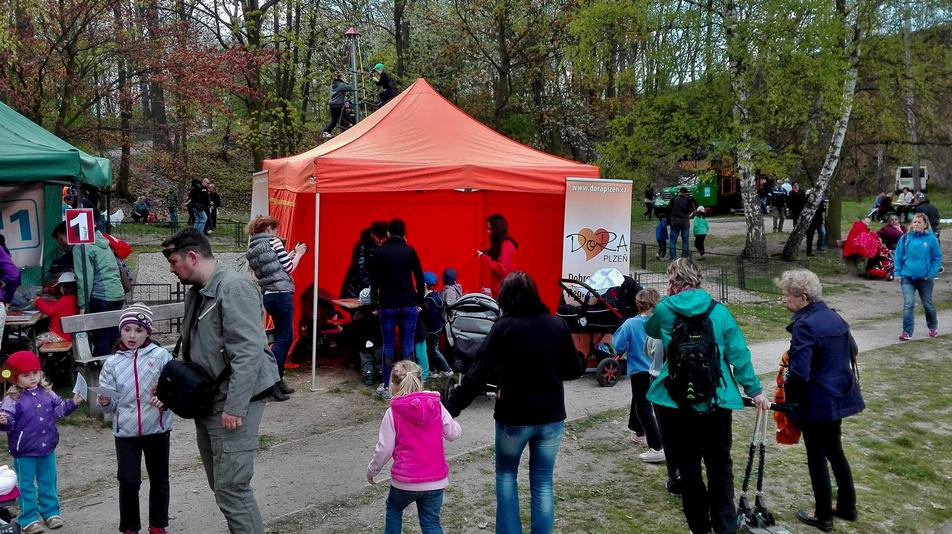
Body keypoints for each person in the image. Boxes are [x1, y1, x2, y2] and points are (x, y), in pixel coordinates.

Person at [161, 228, 280, 534]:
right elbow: (194, 347)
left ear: (192, 256)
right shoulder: (198, 291)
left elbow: (249, 353)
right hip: (209, 399)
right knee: (221, 484)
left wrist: (236, 407)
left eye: (174, 262)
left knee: (232, 488)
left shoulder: (234, 289)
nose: (172, 269)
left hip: (234, 401)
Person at [447, 272, 583, 534]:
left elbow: (477, 373)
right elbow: (573, 370)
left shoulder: (503, 328)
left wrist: (452, 407)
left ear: (505, 299)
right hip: (551, 417)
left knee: (506, 475)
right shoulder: (557, 325)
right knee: (543, 481)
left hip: (514, 416)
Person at [646, 258, 768, 534]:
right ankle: (725, 525)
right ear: (698, 280)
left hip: (677, 400)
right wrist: (754, 390)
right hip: (717, 397)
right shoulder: (720, 312)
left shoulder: (666, 309)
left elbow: (650, 330)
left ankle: (699, 527)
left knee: (688, 466)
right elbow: (738, 354)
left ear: (673, 282)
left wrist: (666, 301)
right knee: (719, 464)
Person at [776, 270, 865, 533]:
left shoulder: (805, 324)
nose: (784, 300)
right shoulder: (833, 316)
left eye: (787, 295)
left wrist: (790, 401)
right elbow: (853, 349)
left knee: (817, 457)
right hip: (838, 393)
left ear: (803, 298)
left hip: (817, 400)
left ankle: (823, 514)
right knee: (835, 451)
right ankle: (847, 507)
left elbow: (799, 371)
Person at [96, 303, 173, 534]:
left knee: (159, 479)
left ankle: (157, 526)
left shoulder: (161, 356)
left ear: (148, 332)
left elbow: (174, 387)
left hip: (157, 429)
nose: (132, 335)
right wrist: (106, 403)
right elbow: (109, 404)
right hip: (126, 433)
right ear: (120, 330)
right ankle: (130, 528)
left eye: (139, 330)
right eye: (127, 329)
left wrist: (165, 398)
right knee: (128, 481)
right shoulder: (112, 363)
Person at [367, 360, 462, 534]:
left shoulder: (393, 412)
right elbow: (453, 434)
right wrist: (455, 423)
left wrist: (372, 470)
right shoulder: (436, 405)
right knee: (431, 523)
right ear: (421, 380)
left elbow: (385, 448)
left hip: (405, 481)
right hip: (435, 480)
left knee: (394, 509)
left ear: (393, 385)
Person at [0, 350, 83, 534]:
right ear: (15, 377)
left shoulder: (47, 393)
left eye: (35, 373)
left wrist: (73, 402)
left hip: (47, 447)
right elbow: (8, 420)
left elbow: (59, 410)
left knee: (48, 481)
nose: (32, 378)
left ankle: (51, 512)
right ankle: (29, 518)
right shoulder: (12, 399)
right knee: (26, 484)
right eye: (26, 375)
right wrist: (4, 421)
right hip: (24, 451)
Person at [246, 215, 306, 400]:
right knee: (283, 339)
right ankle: (273, 381)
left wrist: (289, 255)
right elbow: (288, 268)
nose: (277, 233)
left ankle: (278, 381)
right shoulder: (274, 242)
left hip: (268, 295)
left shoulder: (253, 247)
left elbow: (273, 267)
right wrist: (299, 254)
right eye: (276, 229)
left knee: (283, 337)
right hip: (282, 295)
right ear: (269, 228)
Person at [370, 218, 425, 400]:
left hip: (387, 304)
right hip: (408, 303)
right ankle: (411, 386)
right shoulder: (410, 251)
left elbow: (374, 281)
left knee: (389, 344)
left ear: (387, 233)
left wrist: (374, 304)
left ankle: (387, 386)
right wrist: (420, 302)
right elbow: (419, 276)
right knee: (408, 345)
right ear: (404, 233)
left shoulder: (380, 252)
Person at [52, 221, 125, 357]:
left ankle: (100, 375)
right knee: (114, 337)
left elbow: (84, 278)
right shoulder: (101, 242)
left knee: (101, 339)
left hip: (100, 296)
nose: (60, 243)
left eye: (60, 238)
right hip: (117, 294)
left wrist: (82, 304)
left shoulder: (80, 247)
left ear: (67, 234)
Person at [612, 288, 664, 463]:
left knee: (643, 406)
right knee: (640, 399)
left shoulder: (631, 324)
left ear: (638, 304)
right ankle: (638, 431)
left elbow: (618, 346)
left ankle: (657, 446)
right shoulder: (662, 322)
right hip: (658, 369)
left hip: (639, 370)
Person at [894, 213, 942, 341]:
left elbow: (937, 258)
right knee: (909, 304)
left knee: (927, 304)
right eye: (914, 222)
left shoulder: (931, 239)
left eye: (919, 222)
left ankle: (933, 327)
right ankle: (907, 332)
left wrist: (931, 273)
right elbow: (898, 256)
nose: (916, 224)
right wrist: (897, 273)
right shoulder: (905, 238)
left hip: (925, 278)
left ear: (925, 224)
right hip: (907, 277)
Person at [341, 221, 389, 299]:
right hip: (356, 292)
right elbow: (359, 270)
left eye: (383, 238)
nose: (380, 241)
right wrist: (374, 286)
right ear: (372, 234)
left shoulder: (384, 247)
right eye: (378, 238)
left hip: (369, 292)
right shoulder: (362, 246)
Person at [478, 214, 518, 297]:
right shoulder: (503, 245)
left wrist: (485, 257)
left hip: (505, 295)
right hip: (501, 293)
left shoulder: (506, 245)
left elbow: (501, 268)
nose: (487, 232)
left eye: (490, 229)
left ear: (497, 229)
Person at [32, 271, 79, 344]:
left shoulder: (65, 299)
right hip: (68, 334)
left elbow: (50, 311)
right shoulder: (74, 298)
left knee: (34, 342)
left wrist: (39, 300)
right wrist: (47, 302)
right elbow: (57, 306)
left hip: (60, 334)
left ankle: (32, 354)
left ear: (63, 287)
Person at [421, 272, 453, 378]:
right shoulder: (436, 295)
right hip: (438, 327)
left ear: (424, 285)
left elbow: (426, 314)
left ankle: (447, 369)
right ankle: (433, 370)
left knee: (433, 350)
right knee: (431, 349)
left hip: (431, 329)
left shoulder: (427, 300)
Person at [353, 287, 383, 386]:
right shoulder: (378, 314)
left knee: (366, 360)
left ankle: (369, 377)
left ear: (361, 301)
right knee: (380, 359)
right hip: (378, 341)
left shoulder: (357, 315)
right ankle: (381, 375)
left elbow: (354, 331)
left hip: (363, 343)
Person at [322, 73, 356, 138]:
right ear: (341, 78)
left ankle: (326, 131)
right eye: (344, 78)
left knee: (335, 119)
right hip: (338, 105)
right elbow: (351, 88)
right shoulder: (341, 85)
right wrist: (347, 82)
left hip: (332, 105)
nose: (345, 79)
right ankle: (350, 125)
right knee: (340, 118)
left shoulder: (333, 85)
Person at [668, 187, 695, 259]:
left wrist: (669, 220)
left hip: (674, 222)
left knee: (673, 240)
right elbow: (692, 209)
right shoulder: (688, 200)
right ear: (686, 193)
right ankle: (684, 256)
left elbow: (668, 210)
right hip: (685, 222)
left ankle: (673, 257)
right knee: (685, 240)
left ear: (679, 192)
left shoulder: (674, 199)